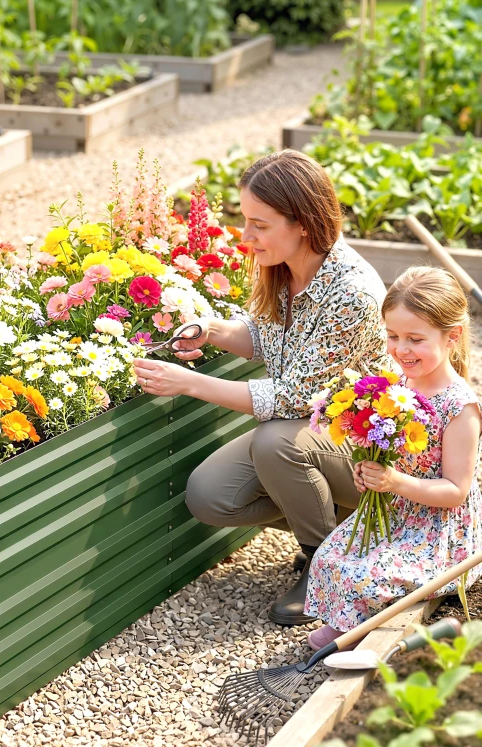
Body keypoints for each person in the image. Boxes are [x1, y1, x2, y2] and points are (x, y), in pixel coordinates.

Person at [132, 149, 392, 626]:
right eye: (244, 220)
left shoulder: (352, 293)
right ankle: (349, 532)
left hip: (369, 449)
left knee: (275, 442)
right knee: (210, 497)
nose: (246, 237)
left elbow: (291, 396)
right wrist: (209, 329)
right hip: (312, 430)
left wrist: (189, 383)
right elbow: (264, 336)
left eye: (260, 224)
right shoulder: (287, 268)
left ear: (304, 223)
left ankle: (324, 566)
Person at [305, 267, 482, 649]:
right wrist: (366, 469)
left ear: (452, 337)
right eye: (393, 335)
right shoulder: (399, 386)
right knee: (328, 557)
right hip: (396, 512)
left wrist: (395, 482)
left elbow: (455, 491)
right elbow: (388, 450)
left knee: (365, 575)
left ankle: (359, 627)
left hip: (437, 530)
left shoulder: (460, 407)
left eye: (415, 339)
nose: (401, 349)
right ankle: (351, 618)